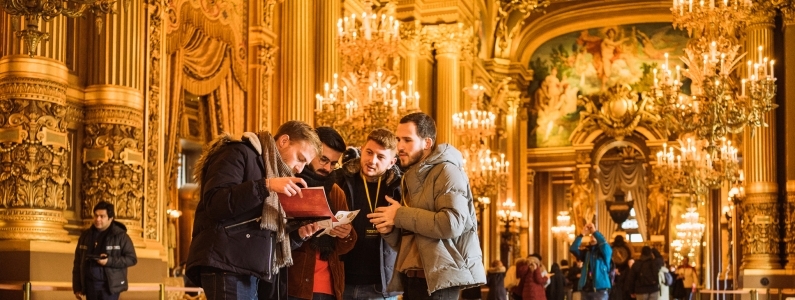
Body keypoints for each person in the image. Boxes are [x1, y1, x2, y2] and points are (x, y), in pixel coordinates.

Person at [186, 120, 324, 300]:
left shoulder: (274, 174)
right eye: (300, 158)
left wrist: (299, 235)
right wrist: (265, 186)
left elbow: (263, 236)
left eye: (305, 164)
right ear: (283, 141)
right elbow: (216, 203)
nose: (300, 168)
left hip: (249, 269)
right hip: (226, 264)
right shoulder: (237, 152)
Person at [368, 112, 486, 299]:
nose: (400, 146)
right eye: (398, 139)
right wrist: (390, 228)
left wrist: (400, 215)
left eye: (407, 140)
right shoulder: (411, 176)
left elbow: (451, 224)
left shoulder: (447, 170)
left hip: (438, 283)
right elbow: (412, 240)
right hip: (413, 278)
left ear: (427, 143)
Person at [286, 127, 356, 300]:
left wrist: (345, 234)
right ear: (311, 150)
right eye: (323, 159)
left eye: (333, 163)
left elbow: (344, 247)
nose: (327, 168)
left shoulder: (335, 191)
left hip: (329, 284)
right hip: (294, 282)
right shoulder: (289, 183)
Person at [335, 128, 403, 300]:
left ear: (391, 162)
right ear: (361, 149)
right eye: (369, 152)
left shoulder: (400, 188)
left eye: (380, 157)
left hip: (381, 285)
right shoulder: (340, 179)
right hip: (342, 281)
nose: (372, 161)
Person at [72, 201, 138, 300]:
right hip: (90, 286)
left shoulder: (120, 236)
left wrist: (109, 261)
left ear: (110, 218)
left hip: (109, 287)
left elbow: (132, 259)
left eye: (102, 216)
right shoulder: (85, 236)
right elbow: (78, 263)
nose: (98, 219)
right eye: (96, 215)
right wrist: (77, 287)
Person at [569, 223, 613, 300]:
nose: (592, 236)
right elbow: (573, 248)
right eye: (591, 235)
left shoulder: (603, 253)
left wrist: (595, 232)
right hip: (586, 289)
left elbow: (605, 246)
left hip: (600, 290)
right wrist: (582, 234)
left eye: (594, 236)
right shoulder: (587, 252)